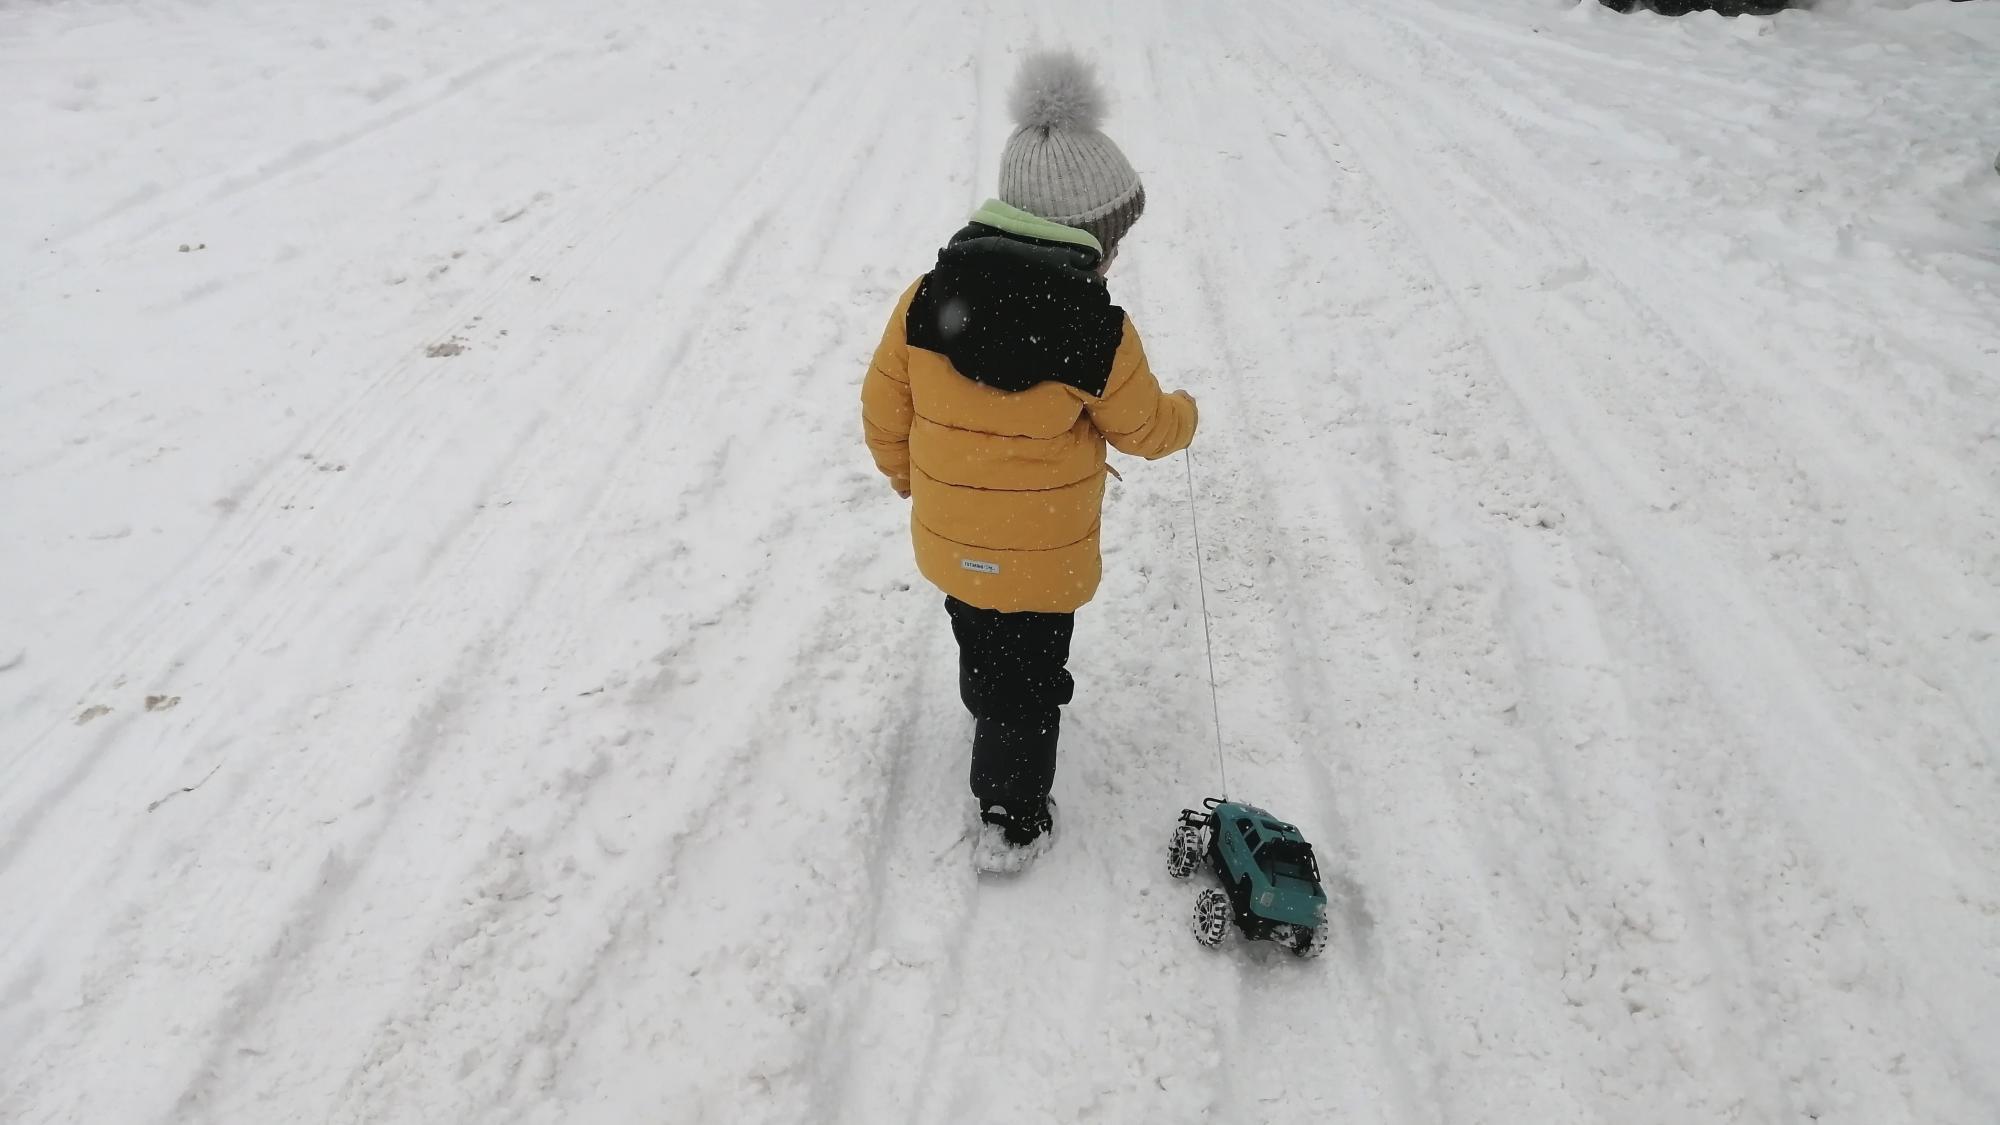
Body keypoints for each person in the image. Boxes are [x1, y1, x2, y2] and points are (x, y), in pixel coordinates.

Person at [860, 50, 1198, 873]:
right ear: (1084, 239)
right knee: (1031, 674)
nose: (1112, 262)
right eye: (1110, 244)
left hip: (950, 542)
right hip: (1043, 561)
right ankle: (1011, 814)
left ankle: (989, 696)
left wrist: (914, 481)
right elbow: (1145, 427)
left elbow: (881, 408)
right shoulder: (1098, 332)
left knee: (977, 627)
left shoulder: (928, 296)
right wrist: (1186, 417)